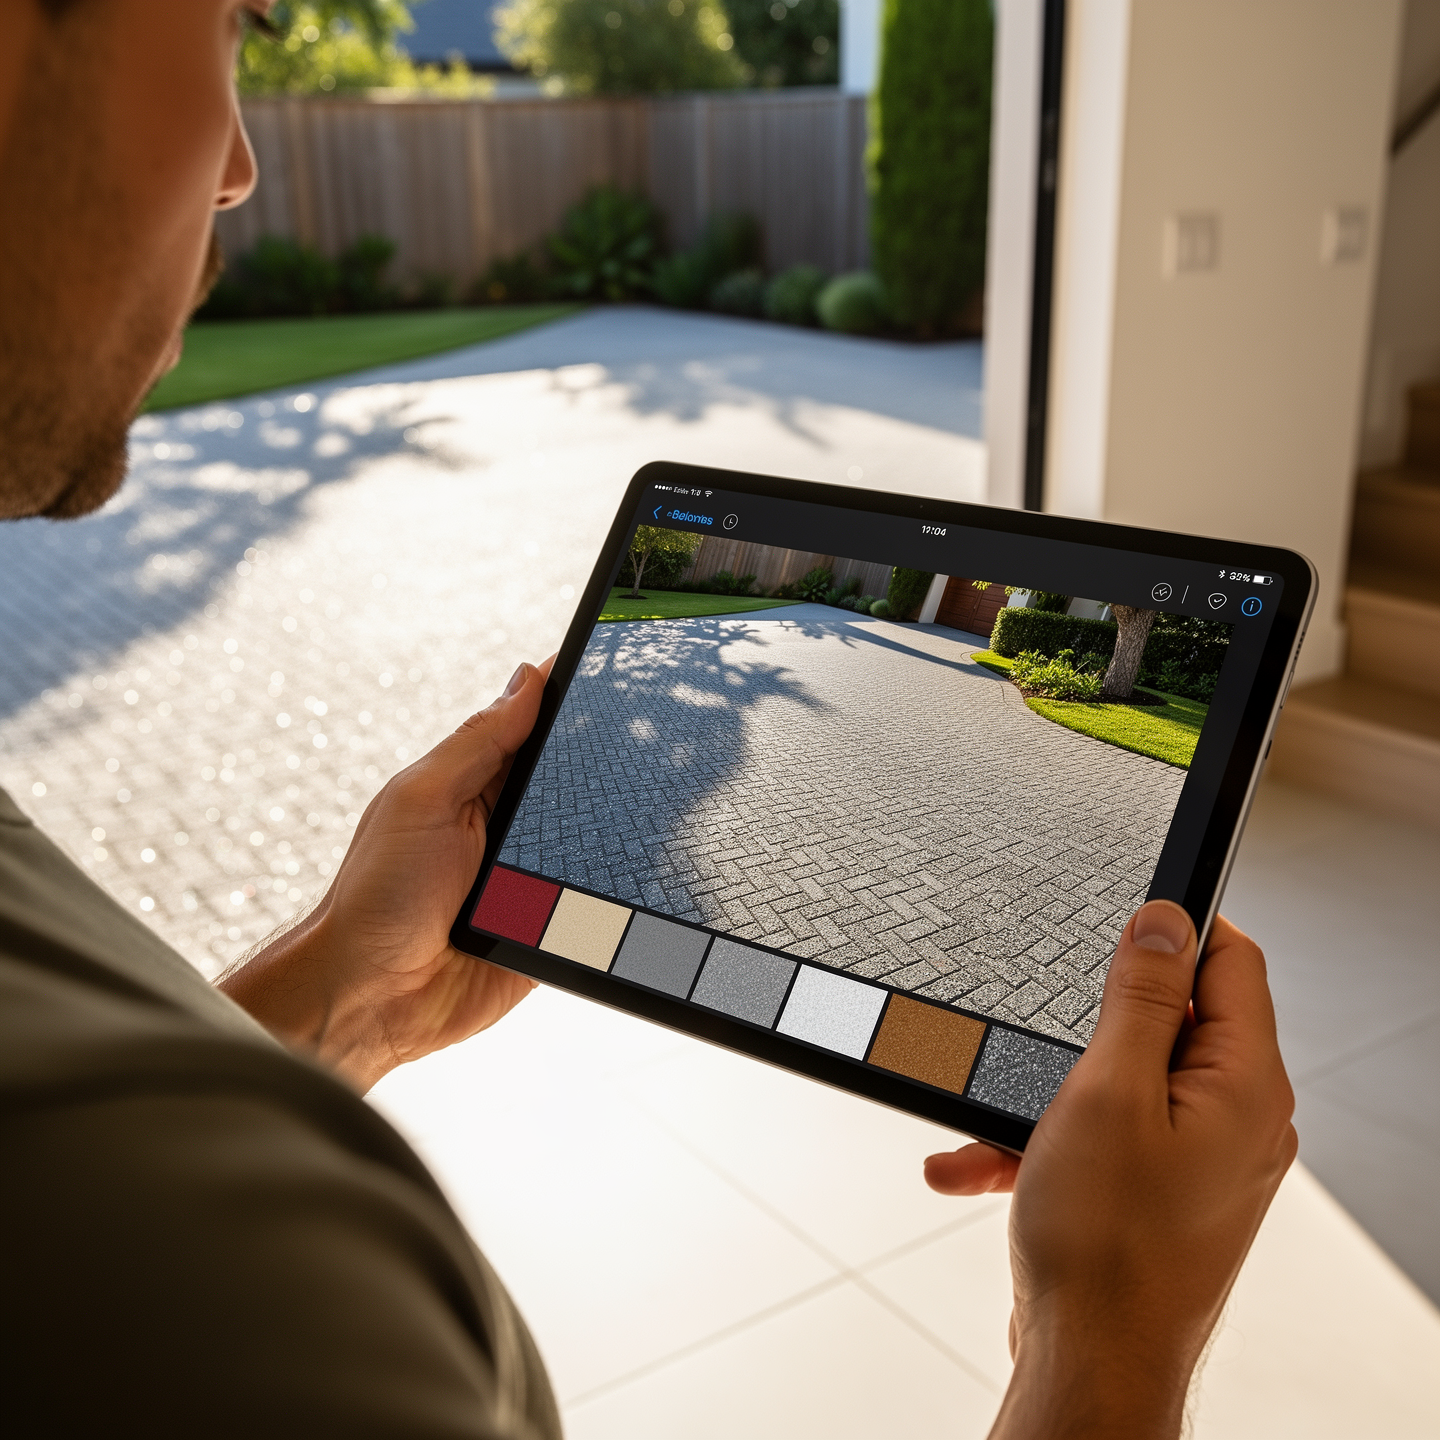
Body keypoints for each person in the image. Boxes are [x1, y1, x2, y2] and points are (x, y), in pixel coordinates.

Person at [0, 2, 1298, 1435]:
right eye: (233, 22)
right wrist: (1108, 1341)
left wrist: (341, 996)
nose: (242, 164)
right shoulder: (244, 1290)